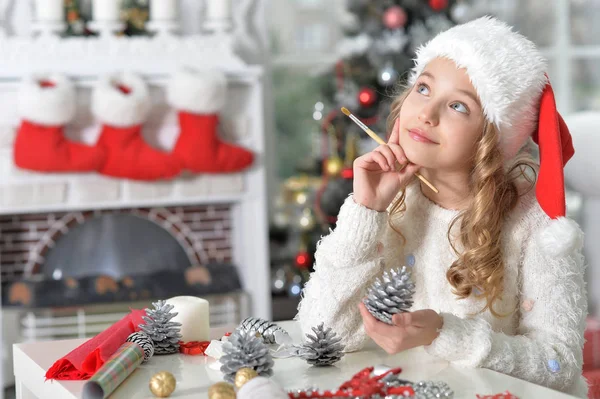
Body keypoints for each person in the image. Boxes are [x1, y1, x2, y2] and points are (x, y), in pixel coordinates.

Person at [295, 16, 588, 397]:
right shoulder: (393, 197)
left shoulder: (538, 224)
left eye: (458, 106)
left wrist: (444, 332)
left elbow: (559, 365)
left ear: (492, 138)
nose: (426, 114)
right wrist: (365, 211)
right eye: (423, 88)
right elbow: (324, 335)